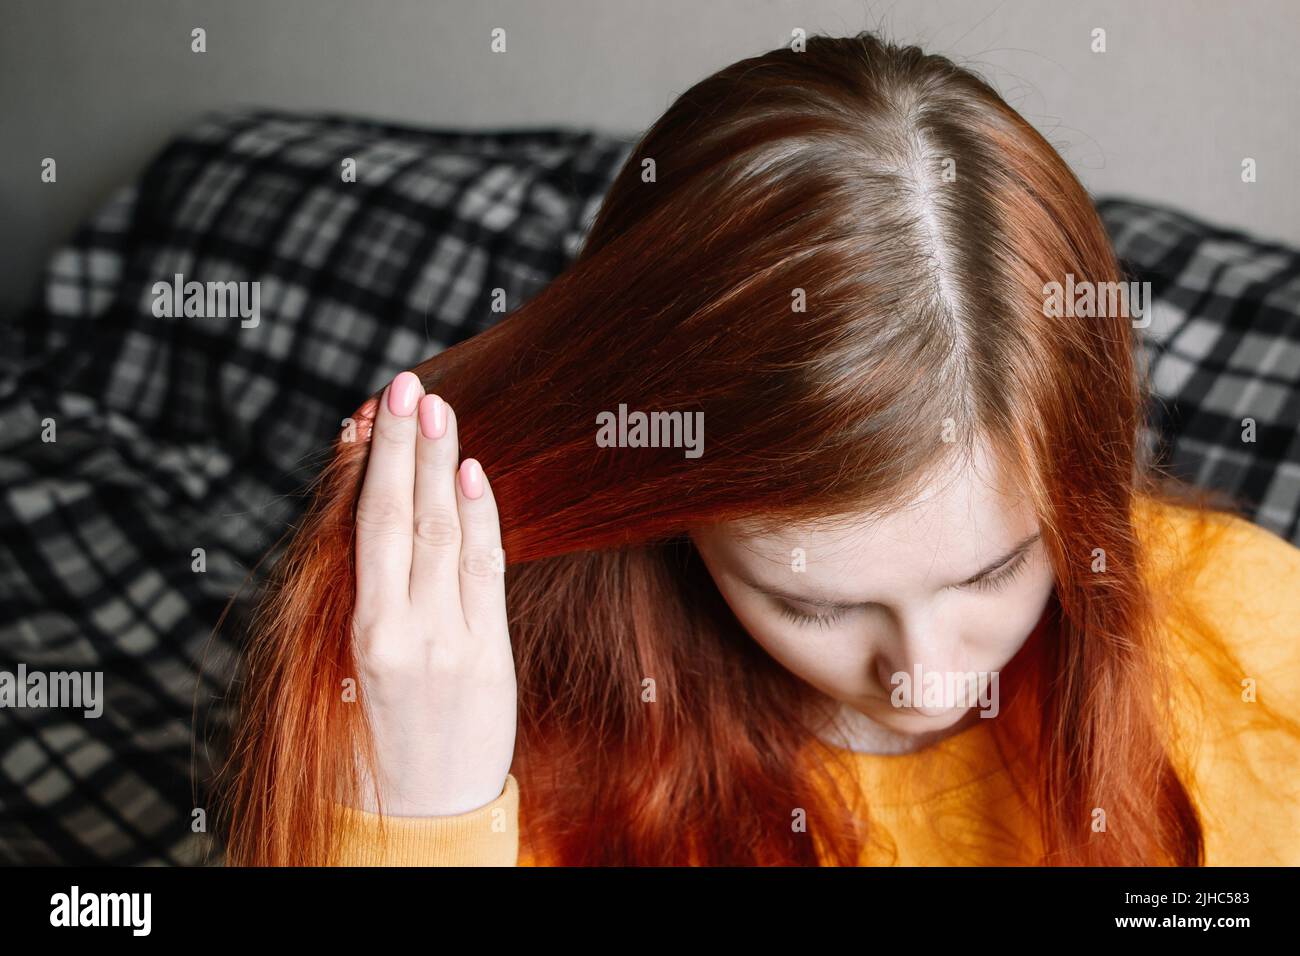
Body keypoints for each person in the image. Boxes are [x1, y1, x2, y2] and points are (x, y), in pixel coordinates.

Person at [216, 31, 1300, 866]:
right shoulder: (496, 723)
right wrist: (414, 811)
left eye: (998, 565)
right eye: (816, 604)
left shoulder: (1258, 628)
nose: (924, 677)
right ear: (661, 501)